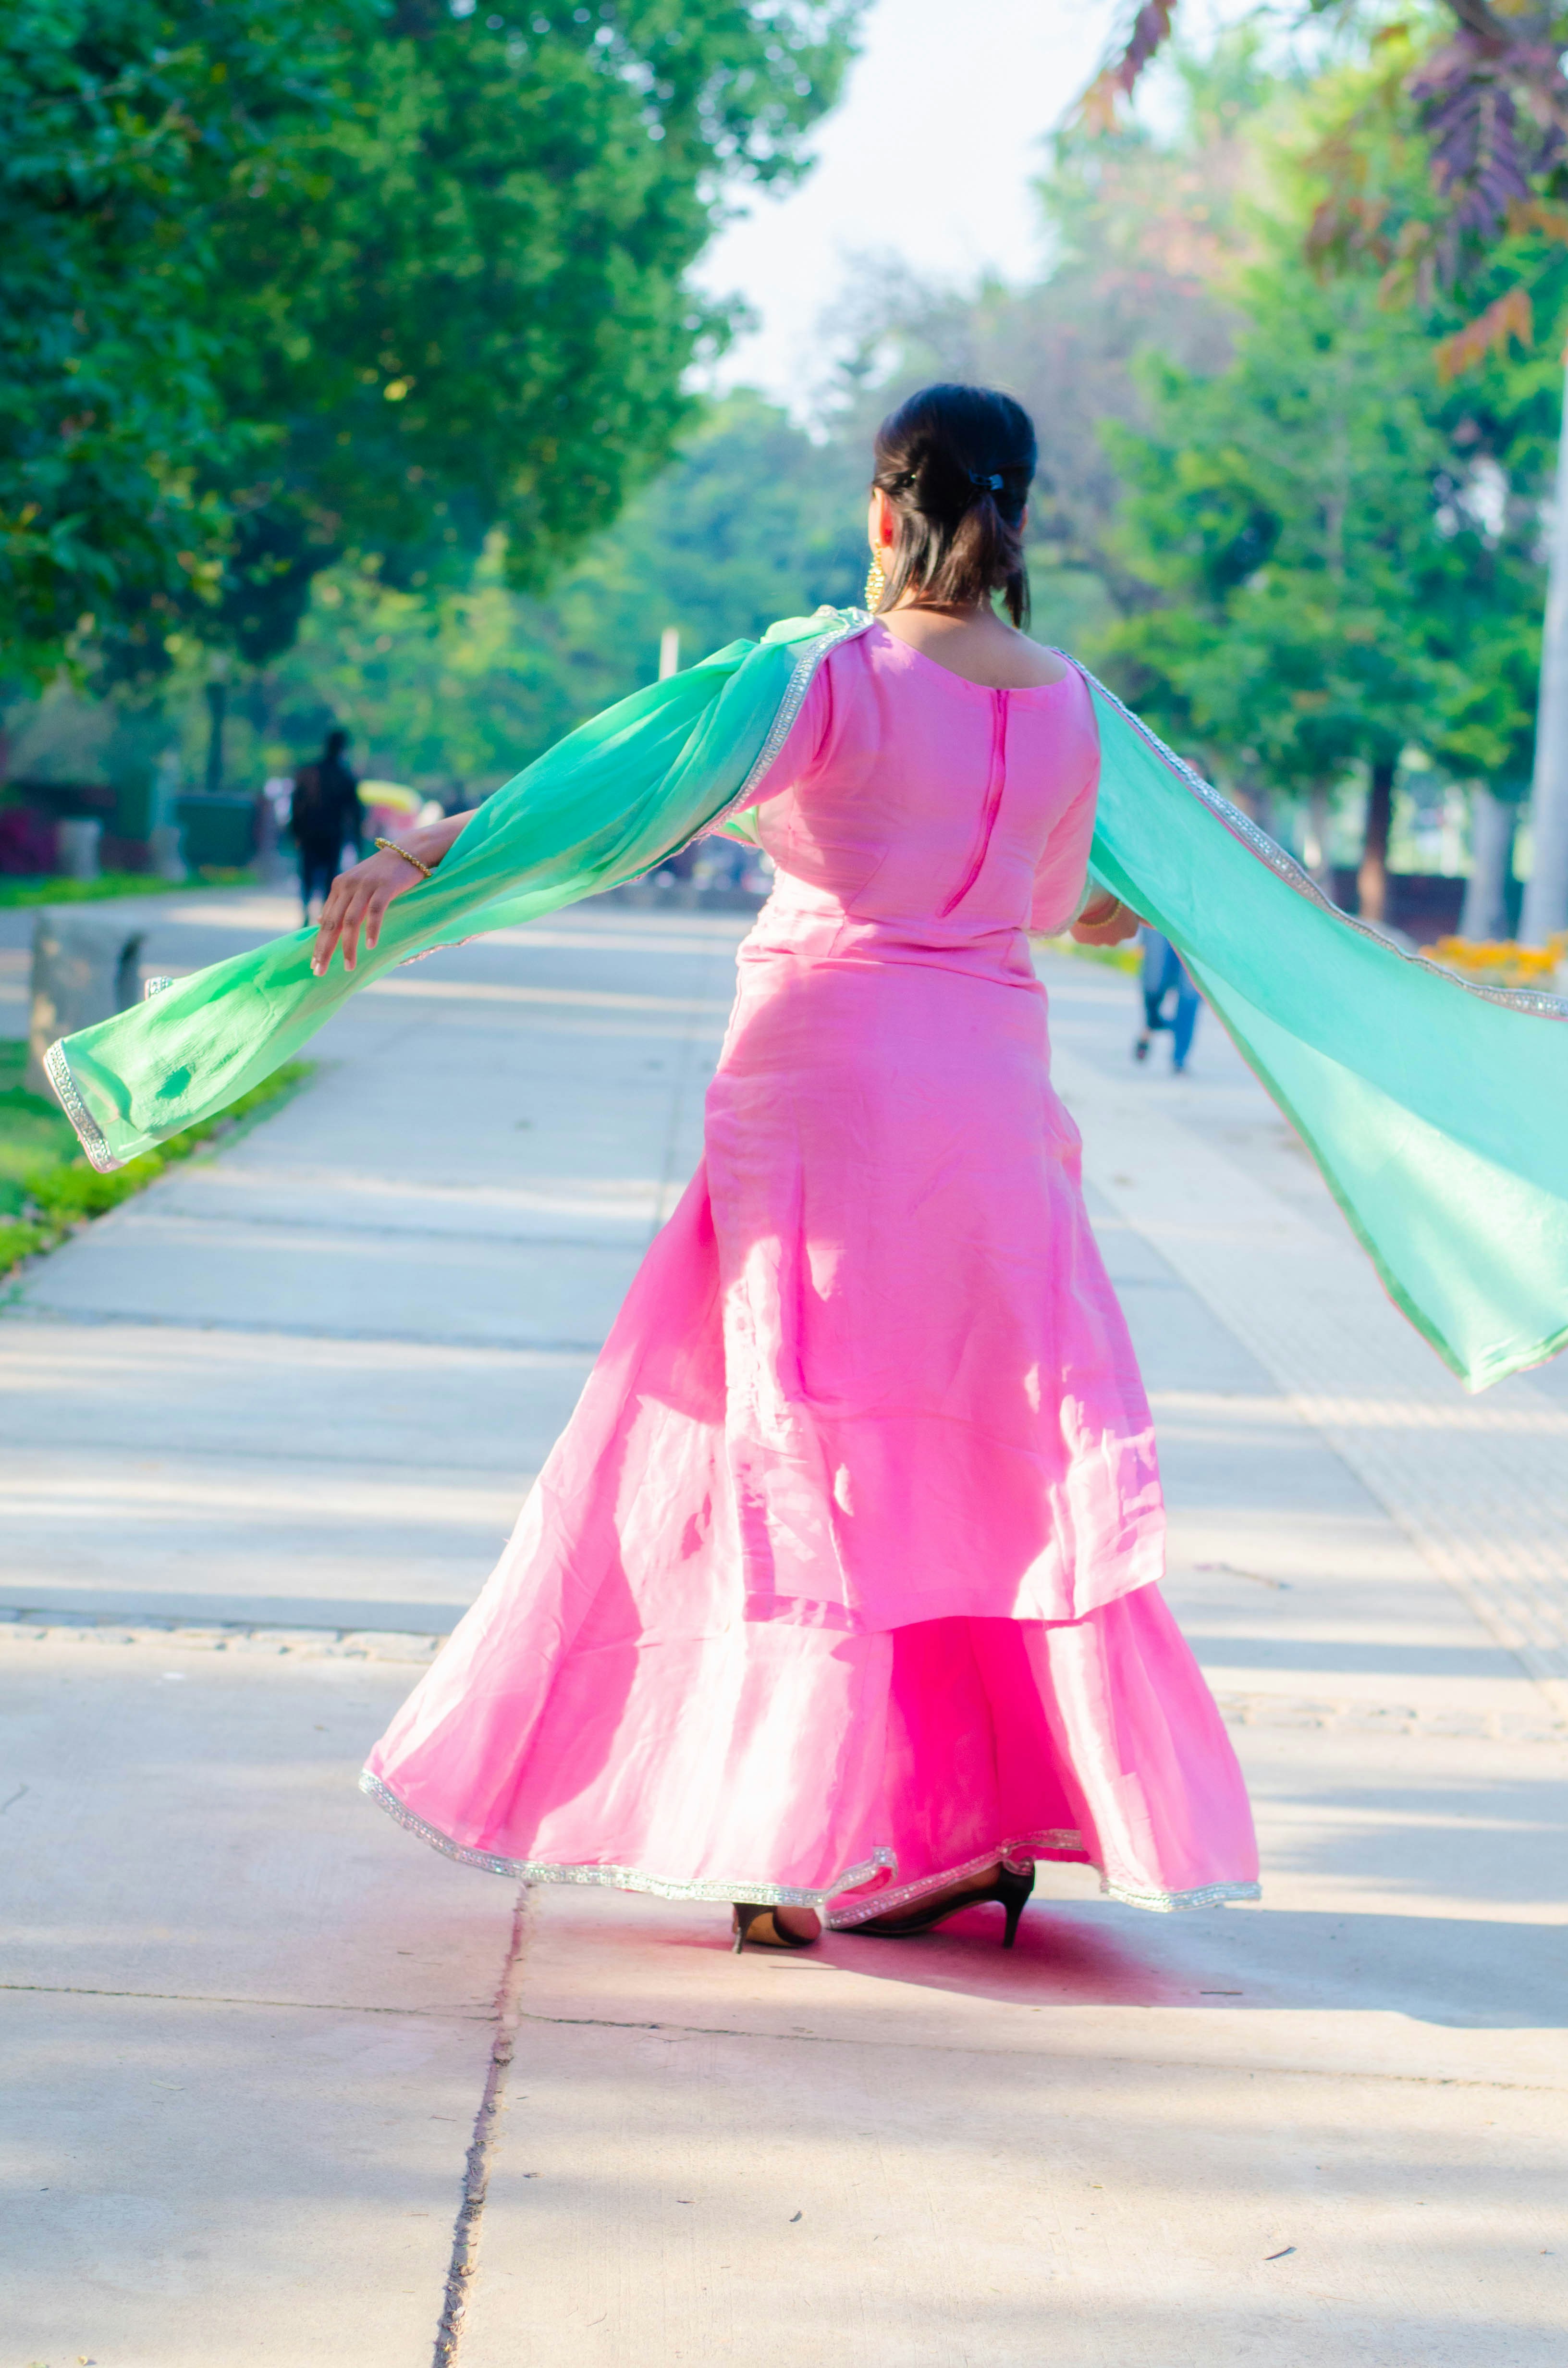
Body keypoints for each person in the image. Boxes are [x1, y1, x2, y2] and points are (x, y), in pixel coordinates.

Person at [314, 384, 1261, 1951]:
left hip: (824, 1093)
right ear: (1017, 518)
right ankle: (964, 1826)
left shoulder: (825, 671)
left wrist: (431, 847)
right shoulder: (1073, 707)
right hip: (994, 1111)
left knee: (795, 1444)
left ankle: (785, 1830)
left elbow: (625, 796)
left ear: (887, 509)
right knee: (967, 1453)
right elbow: (1054, 906)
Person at [290, 728, 362, 923]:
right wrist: (357, 841)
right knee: (331, 875)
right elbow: (355, 813)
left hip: (309, 834)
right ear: (343, 748)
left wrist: (295, 832)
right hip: (333, 835)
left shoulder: (309, 773)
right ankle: (324, 913)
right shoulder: (345, 776)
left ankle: (306, 913)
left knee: (308, 873)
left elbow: (296, 804)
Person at [1135, 925, 1201, 1073]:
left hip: (1195, 919)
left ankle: (1180, 1058)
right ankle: (1151, 1024)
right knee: (1154, 979)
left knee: (1190, 990)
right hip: (1159, 912)